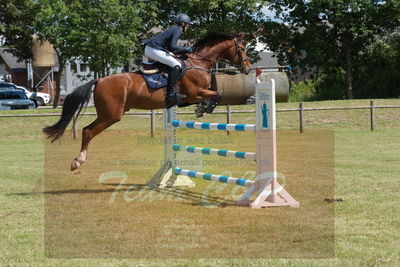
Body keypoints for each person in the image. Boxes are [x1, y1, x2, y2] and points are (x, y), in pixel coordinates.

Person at [142, 14, 193, 108]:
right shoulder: (178, 29)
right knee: (177, 65)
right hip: (152, 49)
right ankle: (171, 94)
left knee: (174, 63)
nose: (188, 27)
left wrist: (183, 50)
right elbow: (173, 47)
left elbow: (171, 48)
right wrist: (187, 49)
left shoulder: (175, 29)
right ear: (183, 24)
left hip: (151, 48)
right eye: (188, 25)